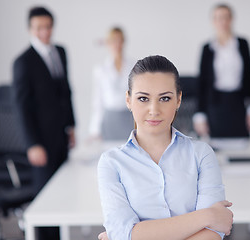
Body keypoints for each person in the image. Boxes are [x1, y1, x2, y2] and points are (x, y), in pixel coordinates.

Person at [97, 55, 233, 240]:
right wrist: (206, 216)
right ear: (128, 100)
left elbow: (211, 235)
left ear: (178, 100)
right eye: (143, 98)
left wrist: (136, 234)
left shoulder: (201, 154)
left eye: (165, 98)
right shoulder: (111, 162)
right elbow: (124, 233)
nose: (154, 109)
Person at [12, 6, 75, 240]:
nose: (44, 32)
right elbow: (22, 107)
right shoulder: (23, 62)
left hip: (60, 135)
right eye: (39, 28)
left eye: (48, 27)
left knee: (62, 194)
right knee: (45, 199)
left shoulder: (60, 51)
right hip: (40, 141)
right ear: (30, 29)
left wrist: (71, 126)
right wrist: (32, 144)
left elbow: (66, 92)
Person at [194, 3, 250, 150]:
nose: (222, 21)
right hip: (215, 104)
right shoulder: (207, 48)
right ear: (213, 21)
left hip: (237, 103)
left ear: (231, 19)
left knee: (240, 146)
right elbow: (202, 83)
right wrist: (199, 114)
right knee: (215, 148)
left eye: (225, 17)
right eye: (218, 18)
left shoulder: (242, 44)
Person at [89, 27, 135, 140]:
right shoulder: (101, 69)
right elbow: (98, 101)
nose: (117, 44)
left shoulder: (134, 67)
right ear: (108, 43)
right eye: (113, 40)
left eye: (120, 40)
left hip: (128, 118)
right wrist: (94, 129)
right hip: (109, 120)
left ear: (124, 42)